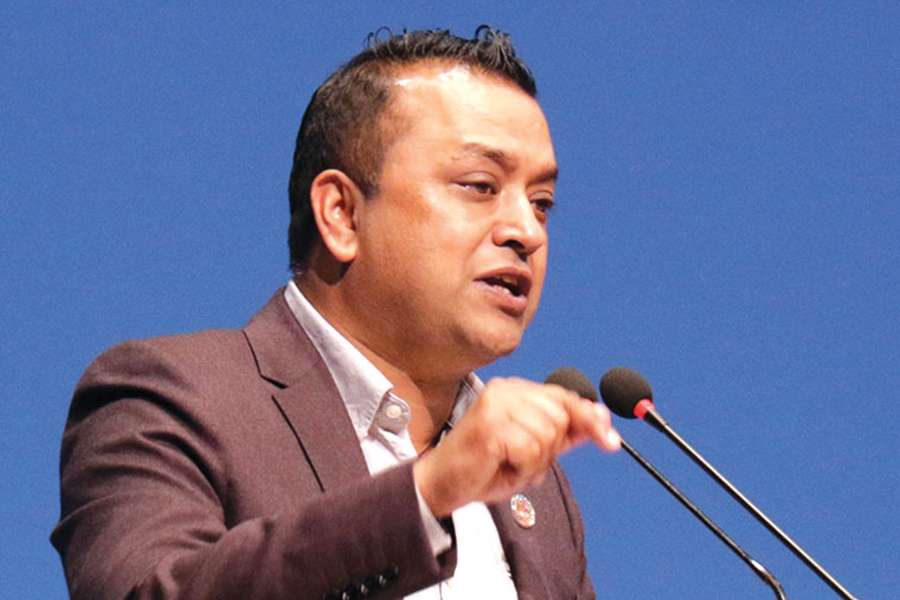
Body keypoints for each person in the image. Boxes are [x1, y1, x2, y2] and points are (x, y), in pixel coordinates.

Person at [51, 27, 621, 599]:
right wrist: (425, 495)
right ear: (342, 214)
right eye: (479, 186)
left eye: (541, 203)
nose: (526, 231)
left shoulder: (540, 495)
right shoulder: (170, 399)